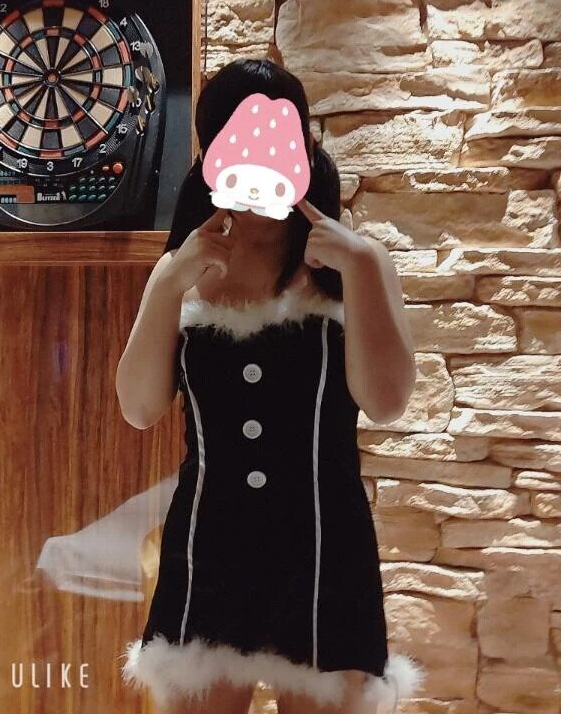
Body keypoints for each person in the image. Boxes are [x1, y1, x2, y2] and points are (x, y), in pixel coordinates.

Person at [116, 58, 426, 714]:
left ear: (305, 146)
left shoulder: (356, 262)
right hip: (209, 546)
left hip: (326, 545)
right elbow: (139, 409)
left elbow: (386, 401)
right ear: (209, 156)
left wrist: (360, 267)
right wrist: (168, 282)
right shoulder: (180, 270)